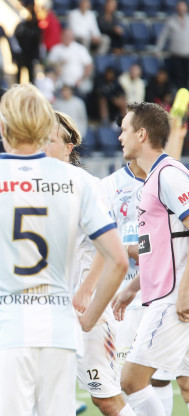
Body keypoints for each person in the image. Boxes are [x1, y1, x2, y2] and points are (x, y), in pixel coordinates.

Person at [0, 83, 128, 416]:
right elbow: (118, 259)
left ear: (2, 128)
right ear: (44, 128)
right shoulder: (78, 181)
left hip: (4, 329)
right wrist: (89, 318)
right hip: (59, 328)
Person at [45, 111, 136, 416]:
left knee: (106, 398)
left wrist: (86, 292)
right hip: (46, 309)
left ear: (69, 146)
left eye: (51, 140)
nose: (42, 146)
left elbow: (106, 248)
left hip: (85, 309)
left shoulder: (87, 185)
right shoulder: (36, 187)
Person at [112, 102, 189, 415]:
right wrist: (130, 289)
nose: (120, 137)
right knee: (184, 382)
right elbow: (160, 249)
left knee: (131, 380)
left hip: (174, 297)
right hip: (168, 293)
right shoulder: (156, 177)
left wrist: (185, 292)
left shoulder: (169, 176)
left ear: (141, 134)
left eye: (125, 130)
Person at [48, 28, 94, 97]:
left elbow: (89, 65)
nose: (66, 37)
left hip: (76, 85)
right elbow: (49, 67)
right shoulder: (55, 49)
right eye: (64, 35)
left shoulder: (80, 49)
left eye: (68, 36)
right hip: (59, 85)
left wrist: (82, 79)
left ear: (73, 37)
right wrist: (59, 64)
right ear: (61, 36)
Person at [156, 0, 189, 89]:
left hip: (187, 56)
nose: (181, 9)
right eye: (180, 7)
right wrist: (158, 49)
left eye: (183, 7)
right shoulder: (171, 21)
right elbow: (163, 36)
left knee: (186, 79)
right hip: (176, 56)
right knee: (178, 80)